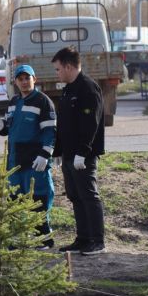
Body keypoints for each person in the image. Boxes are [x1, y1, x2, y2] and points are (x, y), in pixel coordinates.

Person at [0, 64, 56, 248]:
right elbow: (6, 130)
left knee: (38, 198)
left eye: (27, 78)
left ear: (35, 79)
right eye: (20, 79)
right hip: (15, 161)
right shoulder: (14, 102)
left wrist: (44, 154)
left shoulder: (43, 101)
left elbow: (50, 131)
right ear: (15, 82)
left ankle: (44, 239)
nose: (24, 82)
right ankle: (16, 239)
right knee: (14, 199)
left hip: (35, 161)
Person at [52, 46, 106, 255]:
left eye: (58, 69)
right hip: (68, 155)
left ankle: (97, 240)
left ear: (68, 66)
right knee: (75, 196)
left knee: (89, 196)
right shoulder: (67, 89)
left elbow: (90, 124)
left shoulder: (88, 88)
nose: (57, 73)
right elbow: (64, 124)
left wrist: (83, 152)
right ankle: (83, 238)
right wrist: (58, 151)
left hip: (83, 156)